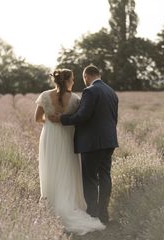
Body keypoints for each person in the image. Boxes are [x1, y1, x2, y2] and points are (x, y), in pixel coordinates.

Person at [34, 68, 106, 235]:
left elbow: (37, 119)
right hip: (68, 138)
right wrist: (64, 120)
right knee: (68, 169)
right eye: (73, 79)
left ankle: (51, 206)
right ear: (67, 81)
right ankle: (69, 205)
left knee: (50, 169)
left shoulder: (45, 95)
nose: (74, 82)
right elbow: (79, 120)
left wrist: (51, 120)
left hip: (50, 137)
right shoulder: (74, 99)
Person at [49, 64, 119, 224]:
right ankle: (104, 214)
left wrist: (62, 119)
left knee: (90, 179)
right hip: (109, 141)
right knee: (105, 177)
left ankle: (92, 214)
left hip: (92, 143)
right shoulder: (111, 91)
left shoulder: (90, 91)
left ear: (87, 76)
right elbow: (114, 118)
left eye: (83, 78)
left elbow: (82, 116)